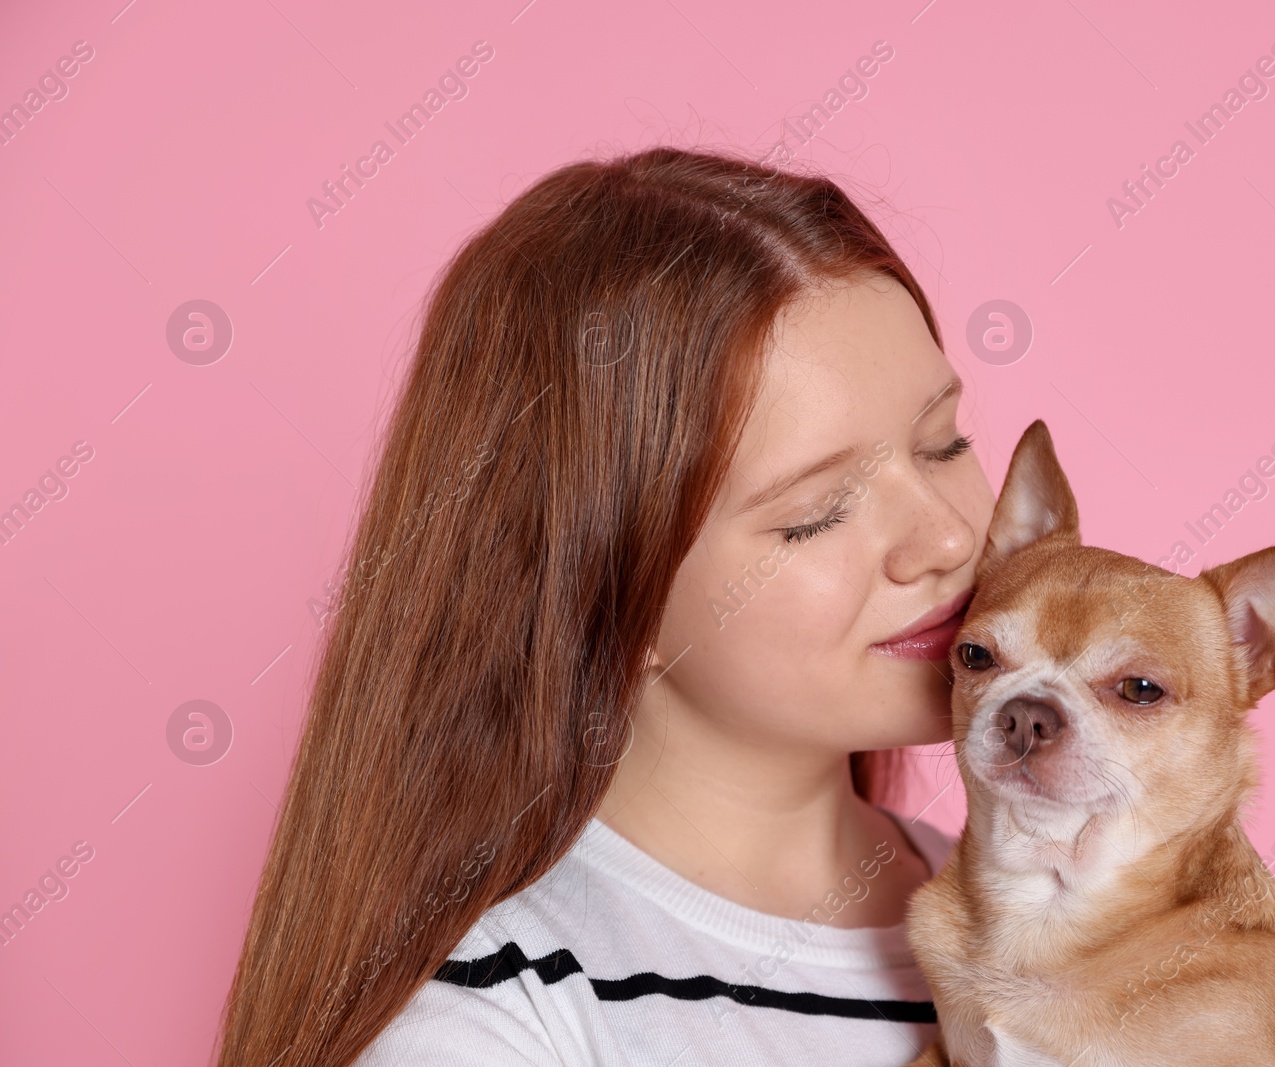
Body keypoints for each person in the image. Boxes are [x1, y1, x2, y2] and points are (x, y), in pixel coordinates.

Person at [214, 145, 995, 1067]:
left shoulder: (1057, 922)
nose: (948, 539)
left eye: (944, 444)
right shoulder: (491, 1026)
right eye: (817, 514)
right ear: (603, 586)